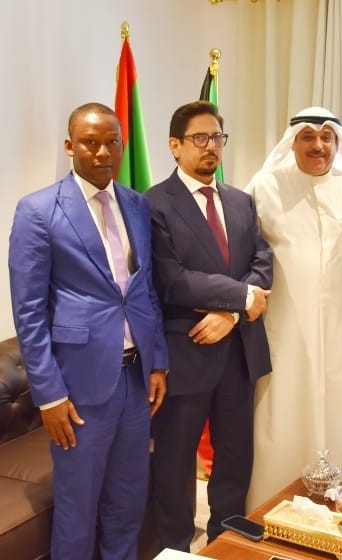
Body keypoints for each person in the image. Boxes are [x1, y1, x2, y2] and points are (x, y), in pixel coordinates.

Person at [8, 102, 169, 560]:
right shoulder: (39, 210)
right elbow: (29, 313)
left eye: (111, 142)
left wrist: (158, 361)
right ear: (70, 146)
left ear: (122, 144)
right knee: (77, 511)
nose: (102, 152)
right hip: (78, 389)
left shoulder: (136, 204)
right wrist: (49, 397)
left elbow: (144, 291)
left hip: (135, 381)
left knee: (128, 503)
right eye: (90, 143)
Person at [145, 101, 272, 550]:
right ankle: (176, 550)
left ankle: (226, 544)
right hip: (186, 354)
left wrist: (231, 314)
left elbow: (262, 261)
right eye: (199, 138)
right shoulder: (153, 204)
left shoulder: (240, 200)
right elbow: (172, 279)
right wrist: (241, 297)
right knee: (175, 466)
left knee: (235, 462)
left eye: (217, 137)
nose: (211, 146)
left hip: (238, 352)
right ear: (174, 146)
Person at [244, 107, 342, 509]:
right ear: (293, 142)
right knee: (280, 419)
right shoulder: (265, 187)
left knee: (337, 418)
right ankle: (271, 509)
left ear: (337, 143)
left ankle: (333, 511)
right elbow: (246, 257)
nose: (318, 145)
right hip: (283, 330)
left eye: (327, 137)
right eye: (308, 137)